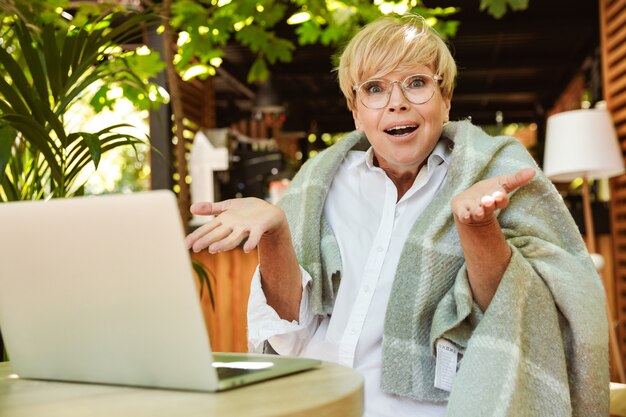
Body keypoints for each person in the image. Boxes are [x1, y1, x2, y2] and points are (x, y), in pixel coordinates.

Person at [186, 15, 608, 417]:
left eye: (417, 83)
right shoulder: (318, 184)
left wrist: (478, 228)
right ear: (355, 111)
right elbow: (288, 341)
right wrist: (275, 233)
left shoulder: (489, 173)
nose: (397, 104)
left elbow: (513, 319)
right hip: (312, 403)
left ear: (446, 101)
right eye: (374, 89)